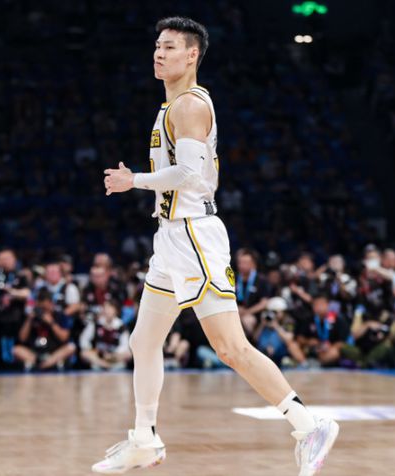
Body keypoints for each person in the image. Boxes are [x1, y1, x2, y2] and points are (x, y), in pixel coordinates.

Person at [95, 17, 338, 475]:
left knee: (230, 347)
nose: (158, 53)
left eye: (170, 46)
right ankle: (144, 439)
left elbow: (189, 176)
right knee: (143, 340)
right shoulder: (172, 105)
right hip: (171, 236)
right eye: (157, 45)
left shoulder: (189, 105)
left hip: (194, 235)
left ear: (192, 55)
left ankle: (310, 425)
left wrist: (134, 181)